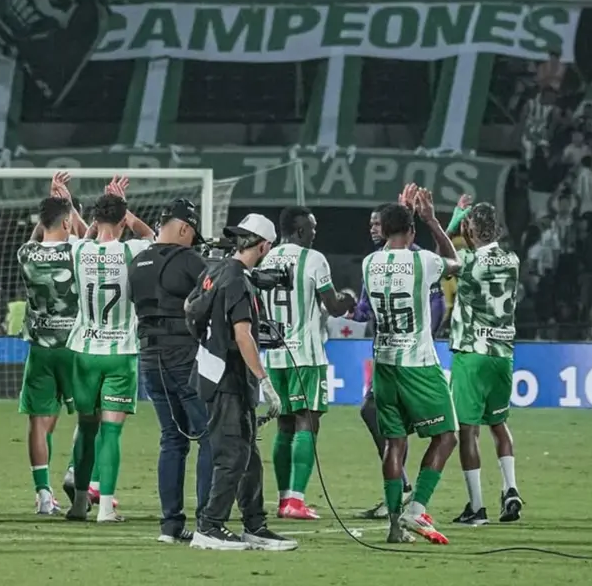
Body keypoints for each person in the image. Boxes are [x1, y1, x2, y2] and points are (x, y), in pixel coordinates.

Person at [186, 213, 296, 552]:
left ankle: (255, 525)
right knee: (233, 455)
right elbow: (243, 335)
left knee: (248, 455)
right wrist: (266, 382)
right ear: (264, 246)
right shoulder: (237, 279)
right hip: (228, 378)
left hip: (216, 371)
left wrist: (209, 341)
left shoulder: (216, 269)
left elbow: (188, 307)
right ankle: (210, 526)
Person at [360, 186, 461, 545]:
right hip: (418, 364)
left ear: (383, 231)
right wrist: (432, 219)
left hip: (384, 364)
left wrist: (402, 215)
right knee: (447, 435)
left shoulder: (368, 263)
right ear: (412, 232)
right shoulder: (423, 261)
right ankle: (416, 510)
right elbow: (456, 264)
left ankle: (393, 525)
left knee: (394, 443)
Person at [65, 178, 155, 523]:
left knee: (86, 427)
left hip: (84, 350)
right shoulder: (132, 251)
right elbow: (152, 238)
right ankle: (105, 509)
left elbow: (85, 237)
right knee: (111, 431)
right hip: (121, 351)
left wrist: (98, 218)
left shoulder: (78, 250)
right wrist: (125, 209)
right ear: (122, 221)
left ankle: (77, 505)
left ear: (95, 220)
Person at [259, 206, 354, 520]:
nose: (315, 234)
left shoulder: (267, 257)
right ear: (300, 230)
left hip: (273, 354)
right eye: (312, 228)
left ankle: (284, 499)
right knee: (307, 422)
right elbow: (334, 306)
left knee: (284, 425)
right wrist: (349, 298)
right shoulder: (314, 259)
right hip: (305, 356)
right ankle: (296, 501)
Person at [129, 198, 213, 543]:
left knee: (172, 439)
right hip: (183, 355)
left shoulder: (137, 262)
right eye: (192, 234)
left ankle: (170, 526)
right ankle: (209, 522)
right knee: (210, 435)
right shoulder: (190, 260)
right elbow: (214, 296)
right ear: (183, 227)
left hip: (149, 357)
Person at [445, 200, 524, 526]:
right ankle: (511, 488)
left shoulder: (466, 260)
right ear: (499, 230)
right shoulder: (512, 259)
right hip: (502, 356)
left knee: (468, 431)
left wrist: (452, 223)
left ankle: (476, 507)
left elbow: (442, 253)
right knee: (499, 424)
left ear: (469, 231)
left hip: (472, 354)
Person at [17, 172, 88, 515]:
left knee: (39, 421)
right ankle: (76, 472)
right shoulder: (76, 251)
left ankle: (43, 494)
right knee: (91, 417)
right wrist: (70, 205)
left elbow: (38, 237)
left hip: (40, 349)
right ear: (66, 222)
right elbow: (94, 241)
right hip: (73, 347)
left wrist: (56, 207)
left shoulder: (26, 254)